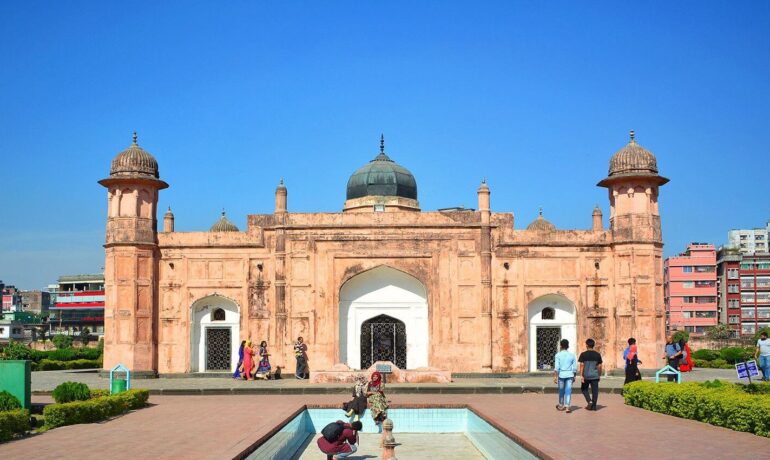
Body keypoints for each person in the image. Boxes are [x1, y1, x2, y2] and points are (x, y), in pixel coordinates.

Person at [578, 338, 603, 411]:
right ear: (593, 345)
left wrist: (581, 375)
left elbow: (582, 365)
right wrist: (599, 375)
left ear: (586, 345)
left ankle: (589, 401)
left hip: (586, 375)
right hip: (595, 375)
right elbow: (600, 366)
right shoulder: (597, 354)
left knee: (584, 389)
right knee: (595, 391)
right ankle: (594, 406)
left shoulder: (583, 354)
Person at [553, 339, 577, 413]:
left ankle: (561, 405)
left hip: (561, 375)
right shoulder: (572, 355)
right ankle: (567, 406)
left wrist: (555, 377)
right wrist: (574, 376)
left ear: (561, 346)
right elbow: (574, 368)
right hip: (570, 375)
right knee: (568, 391)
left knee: (561, 391)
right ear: (568, 346)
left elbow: (556, 367)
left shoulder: (558, 355)